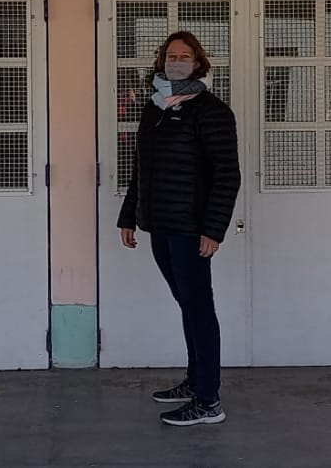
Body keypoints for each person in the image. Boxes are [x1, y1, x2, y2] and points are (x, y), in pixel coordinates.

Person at [117, 31, 242, 427]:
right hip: (160, 225)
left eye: (184, 56)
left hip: (192, 230)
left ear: (198, 63)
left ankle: (209, 401)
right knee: (188, 306)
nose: (177, 61)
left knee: (199, 309)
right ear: (161, 62)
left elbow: (227, 175)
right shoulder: (154, 109)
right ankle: (195, 381)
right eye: (171, 55)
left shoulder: (212, 111)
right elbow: (142, 167)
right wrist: (129, 215)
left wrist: (213, 230)